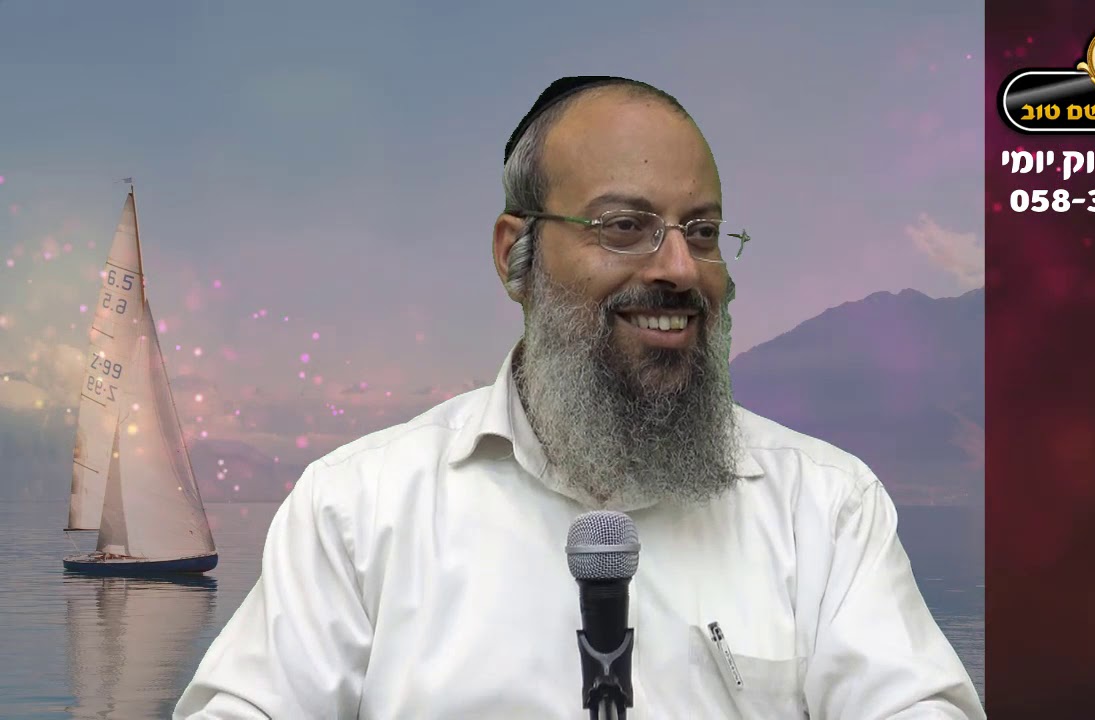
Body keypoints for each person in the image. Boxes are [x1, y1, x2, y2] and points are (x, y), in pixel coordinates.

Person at [174, 76, 984, 719]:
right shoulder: (356, 511)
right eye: (625, 226)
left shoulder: (827, 509)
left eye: (702, 232)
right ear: (515, 255)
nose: (679, 267)